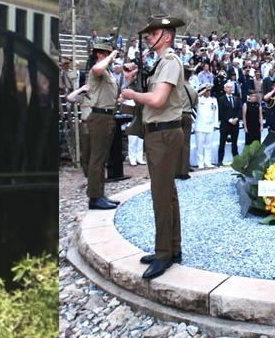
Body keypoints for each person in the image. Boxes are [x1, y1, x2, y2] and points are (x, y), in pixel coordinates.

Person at [119, 15, 189, 281]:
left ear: (167, 36)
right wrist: (131, 84)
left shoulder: (170, 62)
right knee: (167, 192)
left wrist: (133, 94)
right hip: (160, 134)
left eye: (154, 32)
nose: (148, 36)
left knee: (161, 195)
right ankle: (173, 249)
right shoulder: (160, 63)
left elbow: (158, 100)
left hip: (163, 135)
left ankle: (163, 255)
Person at [72, 41, 122, 210]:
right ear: (101, 55)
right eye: (107, 54)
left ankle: (99, 194)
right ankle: (94, 197)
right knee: (97, 160)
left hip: (106, 117)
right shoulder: (98, 70)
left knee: (101, 159)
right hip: (100, 117)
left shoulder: (107, 73)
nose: (111, 58)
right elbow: (97, 69)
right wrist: (110, 57)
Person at [194, 83, 220, 169]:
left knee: (208, 145)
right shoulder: (199, 99)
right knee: (200, 146)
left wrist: (215, 124)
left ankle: (208, 161)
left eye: (209, 90)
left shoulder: (213, 100)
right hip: (200, 125)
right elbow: (193, 98)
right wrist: (202, 91)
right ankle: (200, 162)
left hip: (210, 125)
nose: (208, 92)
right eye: (206, 90)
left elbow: (216, 112)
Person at [217, 82, 242, 165]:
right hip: (225, 124)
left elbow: (239, 110)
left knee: (234, 143)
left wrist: (237, 118)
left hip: (235, 124)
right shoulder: (221, 99)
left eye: (231, 87)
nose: (230, 89)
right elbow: (221, 111)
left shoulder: (236, 99)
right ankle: (220, 160)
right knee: (222, 142)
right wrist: (229, 119)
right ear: (225, 89)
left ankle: (236, 160)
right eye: (228, 87)